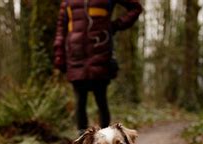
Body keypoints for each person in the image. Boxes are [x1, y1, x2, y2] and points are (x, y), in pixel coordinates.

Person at [53, 0, 143, 135]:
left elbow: (135, 8)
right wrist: (59, 52)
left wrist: (115, 25)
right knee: (80, 102)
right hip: (75, 55)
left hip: (101, 52)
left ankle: (105, 141)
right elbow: (61, 27)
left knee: (101, 100)